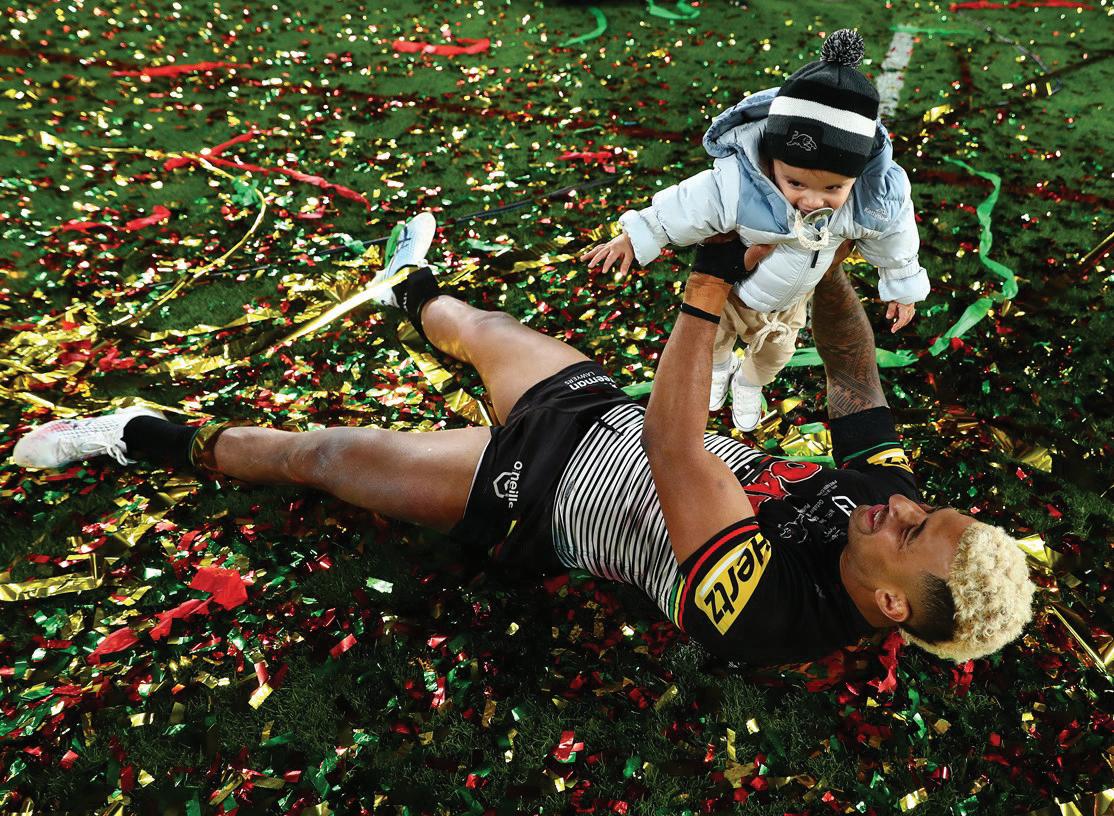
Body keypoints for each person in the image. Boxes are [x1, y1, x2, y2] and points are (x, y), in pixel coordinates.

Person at [13, 214, 1034, 666]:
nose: (902, 503)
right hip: (597, 416)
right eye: (926, 506)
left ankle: (136, 434)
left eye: (912, 530)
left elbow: (678, 451)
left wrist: (708, 284)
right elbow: (853, 379)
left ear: (891, 603)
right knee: (474, 326)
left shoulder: (769, 616)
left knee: (319, 457)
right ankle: (408, 286)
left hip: (531, 491)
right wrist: (831, 265)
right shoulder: (879, 511)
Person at [582, 29, 929, 432]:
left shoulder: (865, 200)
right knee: (716, 341)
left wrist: (902, 285)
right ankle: (719, 369)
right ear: (770, 159)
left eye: (833, 188)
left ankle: (748, 383)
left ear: (856, 176)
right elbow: (689, 205)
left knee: (774, 357)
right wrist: (637, 234)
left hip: (789, 306)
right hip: (735, 292)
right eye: (795, 183)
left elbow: (895, 230)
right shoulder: (741, 185)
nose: (812, 200)